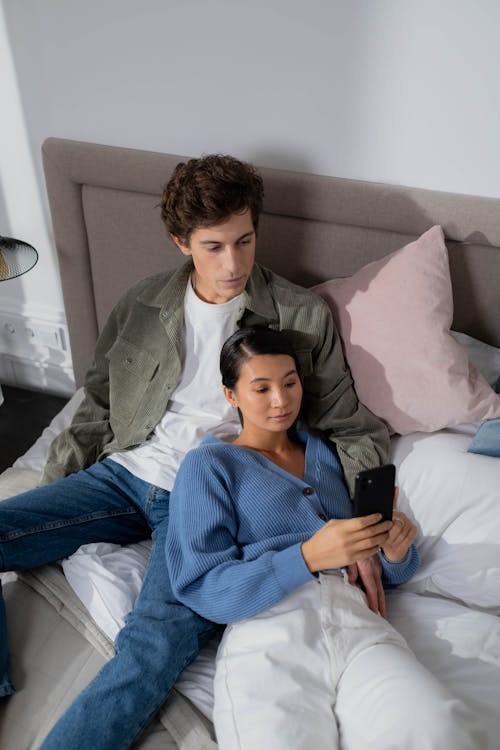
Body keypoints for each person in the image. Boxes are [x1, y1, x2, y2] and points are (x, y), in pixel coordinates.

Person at [0, 154, 390, 750]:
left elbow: (351, 427)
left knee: (151, 647)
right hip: (127, 473)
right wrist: (56, 486)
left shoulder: (301, 316)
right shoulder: (141, 303)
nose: (233, 263)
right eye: (213, 247)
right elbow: (99, 403)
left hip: (211, 494)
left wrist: (365, 522)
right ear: (180, 241)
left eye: (245, 240)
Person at [166, 326, 483, 750]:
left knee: (438, 730)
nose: (280, 400)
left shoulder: (325, 453)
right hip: (271, 631)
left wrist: (394, 552)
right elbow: (202, 585)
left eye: (290, 383)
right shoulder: (209, 466)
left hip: (359, 622)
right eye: (261, 388)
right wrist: (307, 556)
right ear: (231, 396)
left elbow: (380, 571)